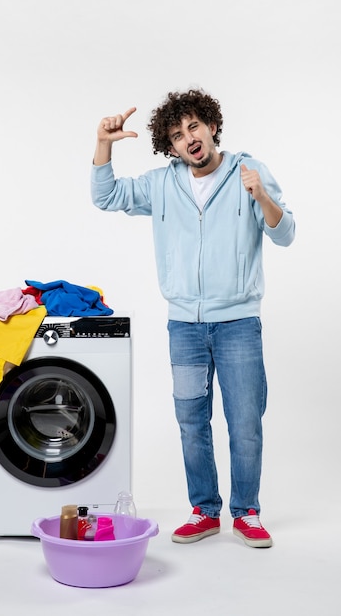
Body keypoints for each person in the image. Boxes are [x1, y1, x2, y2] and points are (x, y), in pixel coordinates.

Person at [91, 89, 295, 548]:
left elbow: (286, 233)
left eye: (194, 127)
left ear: (212, 125)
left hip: (239, 322)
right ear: (172, 147)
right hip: (183, 325)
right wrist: (103, 144)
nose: (189, 139)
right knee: (191, 420)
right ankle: (204, 509)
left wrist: (261, 196)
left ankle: (247, 512)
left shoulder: (249, 171)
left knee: (245, 420)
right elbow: (106, 196)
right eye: (178, 135)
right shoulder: (162, 184)